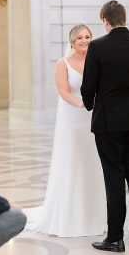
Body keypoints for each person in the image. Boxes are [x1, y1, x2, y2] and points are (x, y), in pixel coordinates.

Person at [80, 0, 129, 253]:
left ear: (105, 20)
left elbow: (88, 85)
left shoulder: (98, 47)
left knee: (114, 179)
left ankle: (115, 238)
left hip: (108, 121)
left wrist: (91, 105)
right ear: (123, 18)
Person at [26, 24, 106, 237]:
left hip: (94, 119)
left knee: (92, 164)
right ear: (72, 40)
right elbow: (63, 91)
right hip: (73, 120)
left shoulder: (96, 60)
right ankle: (69, 217)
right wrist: (81, 104)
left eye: (88, 36)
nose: (84, 40)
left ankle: (92, 215)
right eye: (80, 37)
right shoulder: (63, 63)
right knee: (73, 163)